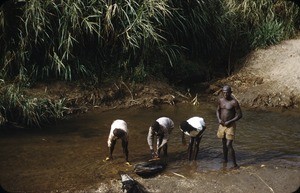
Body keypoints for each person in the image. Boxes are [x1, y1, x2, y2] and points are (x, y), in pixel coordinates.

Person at [216, 85, 242, 169]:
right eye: (224, 92)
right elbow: (217, 110)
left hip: (230, 126)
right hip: (222, 125)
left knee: (228, 144)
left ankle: (235, 165)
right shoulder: (220, 100)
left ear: (230, 93)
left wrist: (229, 121)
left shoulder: (234, 102)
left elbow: (240, 115)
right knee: (223, 143)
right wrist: (219, 119)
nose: (225, 94)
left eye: (227, 92)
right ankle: (225, 160)